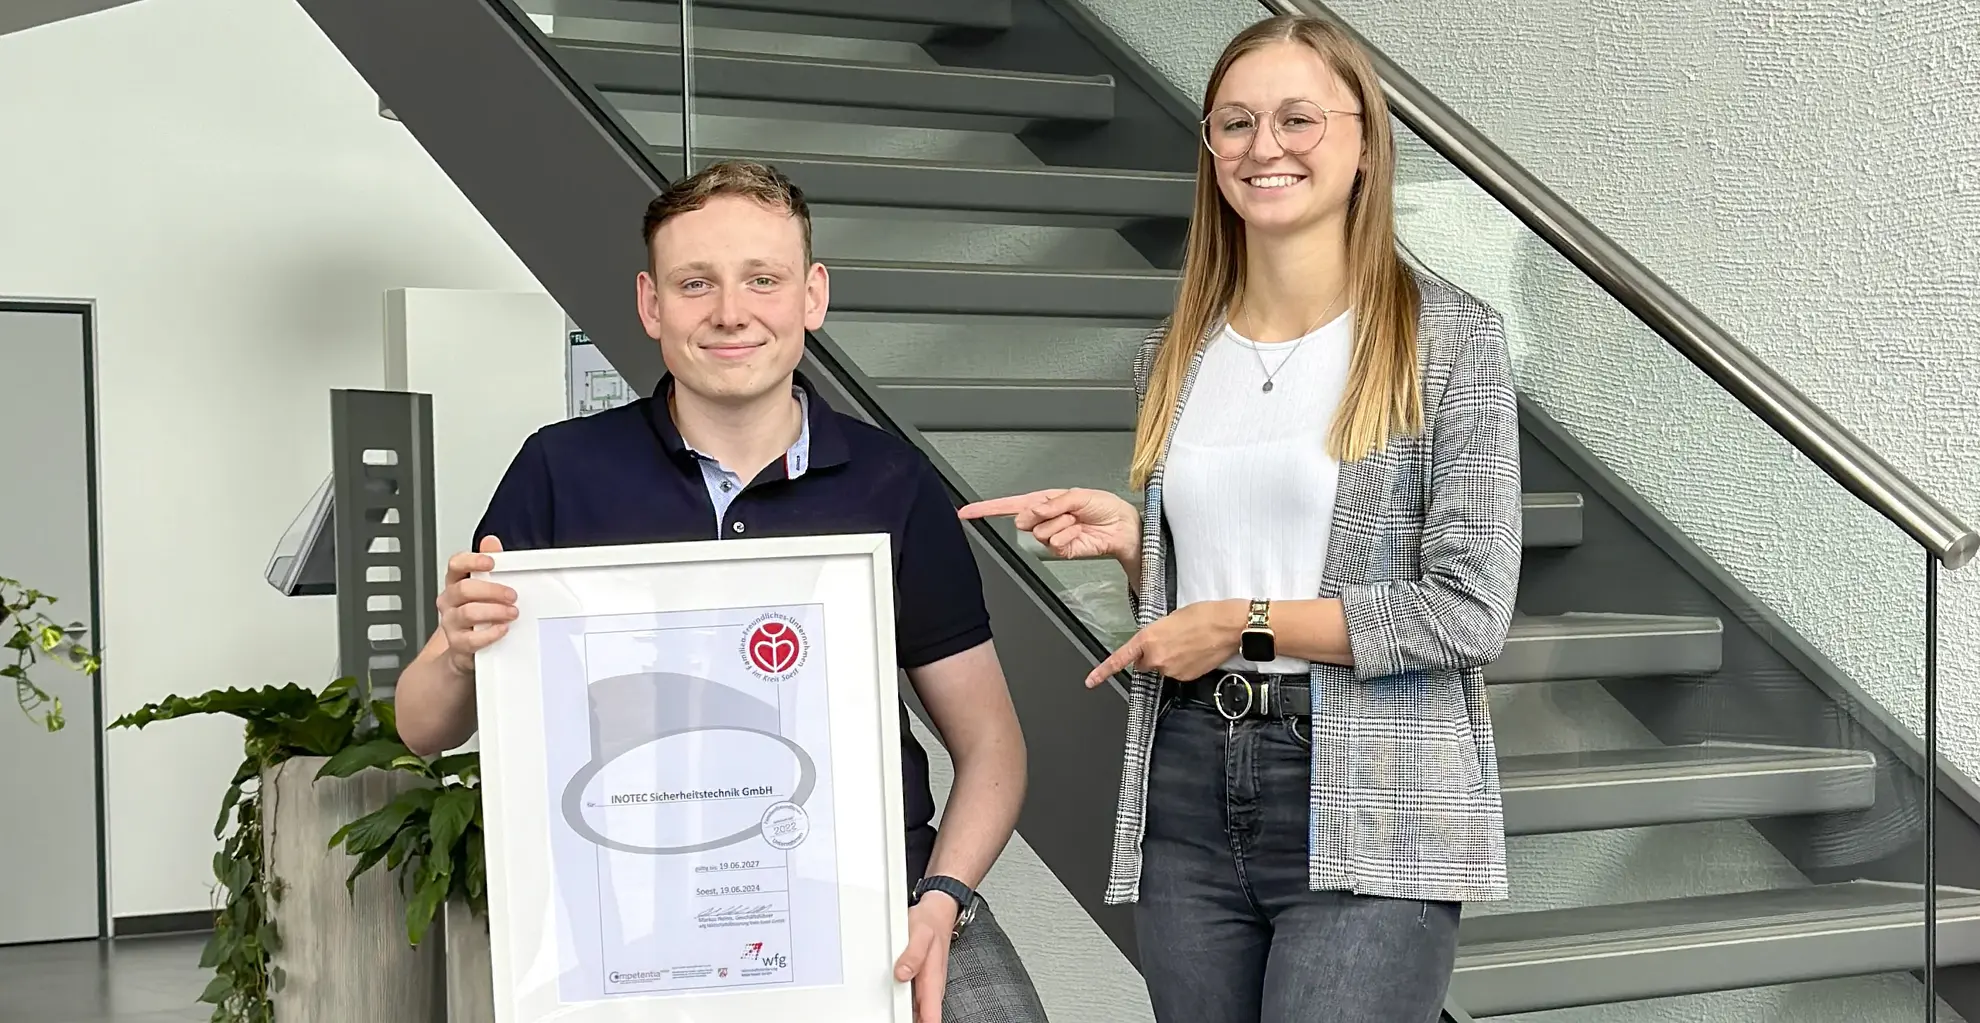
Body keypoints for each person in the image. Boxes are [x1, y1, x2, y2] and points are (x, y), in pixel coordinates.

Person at [393, 159, 1049, 1023]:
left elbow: (992, 745)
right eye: (695, 282)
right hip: (636, 919)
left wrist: (942, 899)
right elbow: (423, 726)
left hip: (881, 899)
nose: (731, 312)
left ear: (812, 295)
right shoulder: (561, 471)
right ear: (651, 304)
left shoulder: (893, 484)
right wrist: (456, 650)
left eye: (762, 279)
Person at [961, 14, 1521, 1023]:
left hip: (1369, 791)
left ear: (1364, 144)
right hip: (1188, 777)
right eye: (1236, 122)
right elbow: (1208, 593)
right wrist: (1141, 552)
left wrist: (1240, 623)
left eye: (1298, 118)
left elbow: (1467, 609)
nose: (1265, 146)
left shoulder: (1446, 341)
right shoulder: (1177, 354)